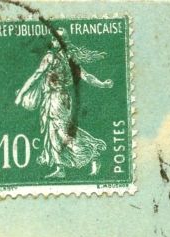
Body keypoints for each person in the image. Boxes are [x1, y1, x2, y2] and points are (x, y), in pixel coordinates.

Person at [15, 28, 112, 178]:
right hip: (63, 98)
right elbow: (86, 76)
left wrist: (21, 94)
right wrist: (102, 84)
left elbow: (36, 76)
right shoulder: (69, 57)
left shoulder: (50, 57)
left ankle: (92, 153)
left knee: (61, 132)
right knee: (54, 131)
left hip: (55, 100)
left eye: (54, 39)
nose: (52, 41)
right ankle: (60, 168)